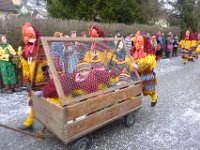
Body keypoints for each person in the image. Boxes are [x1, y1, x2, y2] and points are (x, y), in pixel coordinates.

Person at [19, 22, 48, 130]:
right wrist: (27, 76)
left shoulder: (41, 49)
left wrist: (46, 69)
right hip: (31, 81)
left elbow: (47, 62)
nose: (27, 38)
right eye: (26, 36)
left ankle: (49, 121)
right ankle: (30, 121)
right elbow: (25, 65)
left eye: (29, 35)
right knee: (33, 100)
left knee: (46, 100)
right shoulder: (26, 50)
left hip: (42, 81)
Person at [132, 31, 157, 107]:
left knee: (149, 89)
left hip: (147, 74)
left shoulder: (149, 52)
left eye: (138, 41)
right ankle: (134, 102)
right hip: (137, 74)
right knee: (136, 88)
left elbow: (149, 62)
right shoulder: (136, 50)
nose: (137, 43)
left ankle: (154, 98)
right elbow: (132, 59)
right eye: (136, 42)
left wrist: (138, 66)